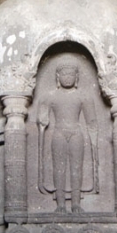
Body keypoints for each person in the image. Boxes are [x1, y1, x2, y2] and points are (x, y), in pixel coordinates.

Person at [38, 64, 97, 214]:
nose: (68, 78)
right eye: (64, 75)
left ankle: (76, 204)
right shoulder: (50, 96)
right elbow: (42, 116)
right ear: (58, 77)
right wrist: (41, 121)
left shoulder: (83, 96)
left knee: (76, 168)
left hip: (76, 133)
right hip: (58, 133)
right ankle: (61, 204)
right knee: (59, 169)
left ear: (76, 77)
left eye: (71, 75)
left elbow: (91, 120)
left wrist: (93, 134)